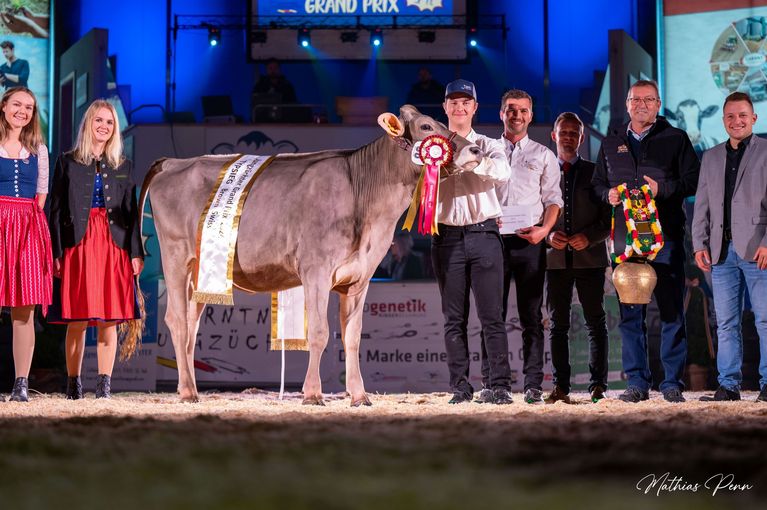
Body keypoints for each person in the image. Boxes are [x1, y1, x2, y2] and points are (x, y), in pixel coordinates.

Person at [592, 79, 699, 403]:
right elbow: (597, 185)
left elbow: (693, 180)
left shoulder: (676, 138)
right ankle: (637, 382)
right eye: (636, 99)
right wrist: (607, 194)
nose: (642, 104)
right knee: (630, 315)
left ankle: (671, 383)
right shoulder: (611, 143)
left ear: (658, 104)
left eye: (648, 99)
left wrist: (661, 190)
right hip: (625, 243)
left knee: (670, 313)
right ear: (626, 105)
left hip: (664, 239)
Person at [49, 99, 144, 400]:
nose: (104, 126)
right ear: (88, 123)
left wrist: (136, 252)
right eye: (98, 120)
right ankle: (73, 384)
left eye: (110, 122)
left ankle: (104, 386)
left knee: (110, 319)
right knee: (76, 319)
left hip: (113, 246)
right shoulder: (67, 161)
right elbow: (55, 209)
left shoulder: (124, 166)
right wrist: (56, 251)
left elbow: (132, 214)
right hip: (78, 244)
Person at [477, 89, 562, 405]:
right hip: (491, 242)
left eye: (524, 110)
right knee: (491, 316)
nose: (517, 115)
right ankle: (491, 383)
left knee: (531, 316)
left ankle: (533, 385)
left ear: (531, 114)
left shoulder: (543, 154)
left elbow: (554, 200)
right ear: (501, 113)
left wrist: (544, 231)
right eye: (511, 110)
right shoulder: (486, 151)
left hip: (530, 244)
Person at [432, 79, 513, 405]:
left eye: (466, 102)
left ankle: (499, 386)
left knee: (492, 318)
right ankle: (460, 389)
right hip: (447, 237)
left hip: (484, 235)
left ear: (475, 108)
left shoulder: (490, 143)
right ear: (445, 107)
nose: (459, 107)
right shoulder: (431, 146)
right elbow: (413, 174)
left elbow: (502, 173)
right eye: (454, 101)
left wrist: (472, 160)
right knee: (454, 320)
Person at [692, 92, 767, 403]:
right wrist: (699, 243)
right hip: (720, 253)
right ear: (723, 121)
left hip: (758, 250)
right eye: (731, 117)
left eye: (742, 116)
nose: (737, 121)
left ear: (754, 118)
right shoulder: (710, 157)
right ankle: (729, 385)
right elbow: (702, 205)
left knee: (764, 320)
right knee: (725, 322)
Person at [544, 112, 611, 404]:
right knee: (558, 325)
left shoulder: (597, 172)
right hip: (555, 260)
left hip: (591, 260)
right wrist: (547, 236)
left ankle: (598, 386)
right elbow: (534, 212)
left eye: (574, 133)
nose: (568, 137)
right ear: (554, 136)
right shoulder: (543, 172)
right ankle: (561, 387)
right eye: (564, 132)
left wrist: (591, 237)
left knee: (595, 323)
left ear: (582, 138)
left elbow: (608, 220)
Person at [0, 87, 52, 402]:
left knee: (25, 308)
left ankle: (21, 383)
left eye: (29, 107)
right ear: (3, 107)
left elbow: (41, 194)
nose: (23, 111)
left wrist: (25, 221)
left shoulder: (39, 150)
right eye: (17, 104)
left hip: (28, 226)